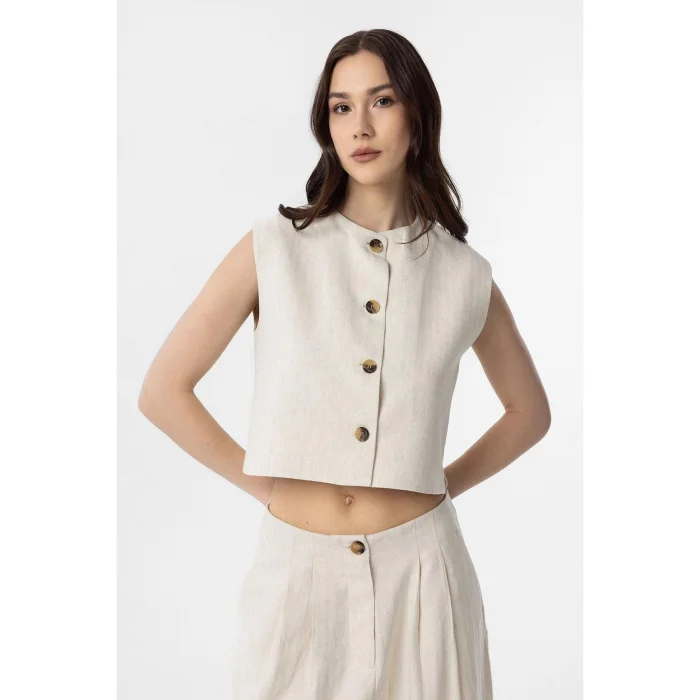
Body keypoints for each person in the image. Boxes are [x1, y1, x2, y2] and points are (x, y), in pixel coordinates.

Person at [138, 28, 550, 700]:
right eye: (340, 106)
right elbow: (163, 391)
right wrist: (266, 488)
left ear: (417, 113)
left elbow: (529, 413)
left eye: (381, 101)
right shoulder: (275, 248)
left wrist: (439, 486)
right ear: (325, 124)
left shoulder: (464, 275)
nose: (359, 125)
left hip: (426, 580)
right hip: (296, 579)